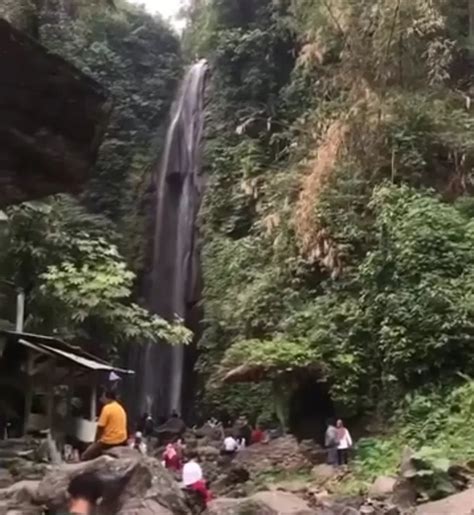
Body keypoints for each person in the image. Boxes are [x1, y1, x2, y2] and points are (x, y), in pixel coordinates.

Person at [81, 390, 128, 461]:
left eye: (103, 397)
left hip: (109, 441)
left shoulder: (107, 408)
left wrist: (95, 442)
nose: (101, 399)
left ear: (107, 398)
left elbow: (100, 427)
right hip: (122, 440)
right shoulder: (120, 408)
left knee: (85, 456)